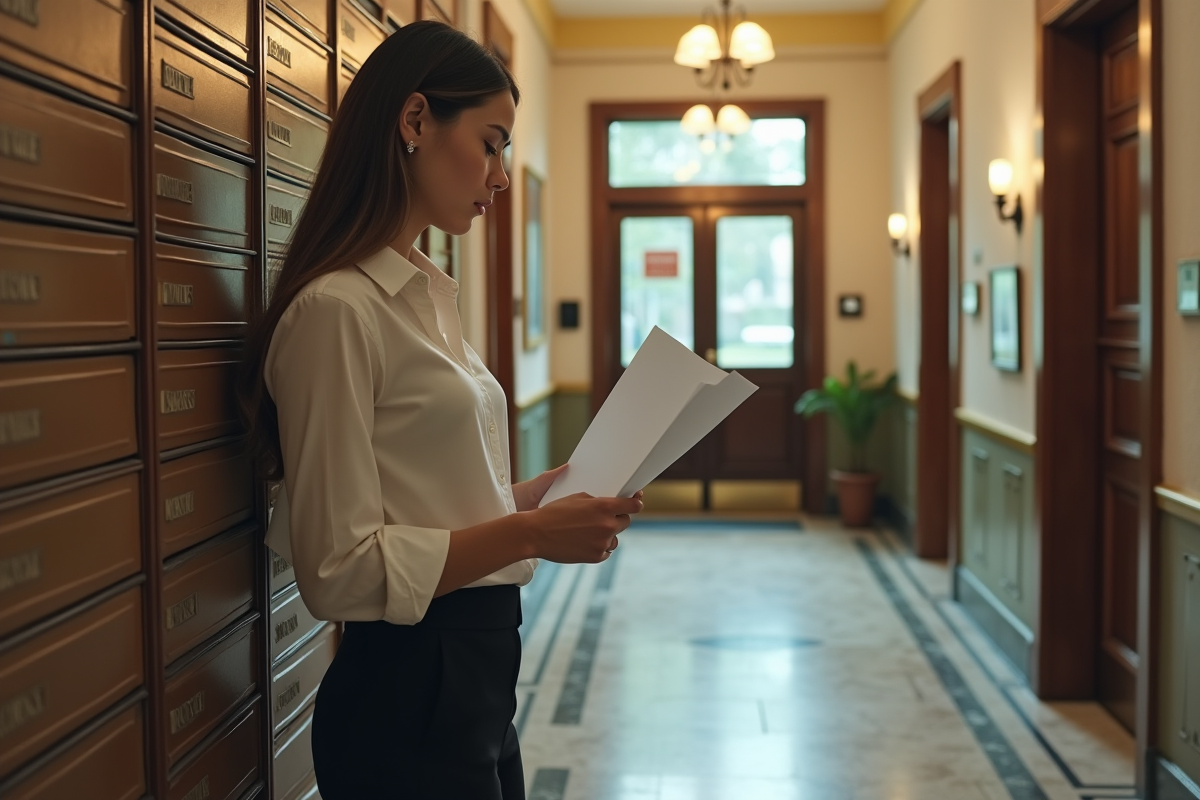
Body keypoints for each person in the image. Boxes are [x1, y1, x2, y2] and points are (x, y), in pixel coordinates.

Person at [236, 21, 643, 800]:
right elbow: (337, 568)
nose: (500, 176)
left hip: (476, 684)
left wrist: (536, 497)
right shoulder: (337, 312)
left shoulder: (426, 297)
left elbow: (419, 498)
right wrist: (527, 532)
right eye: (490, 144)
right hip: (409, 690)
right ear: (416, 121)